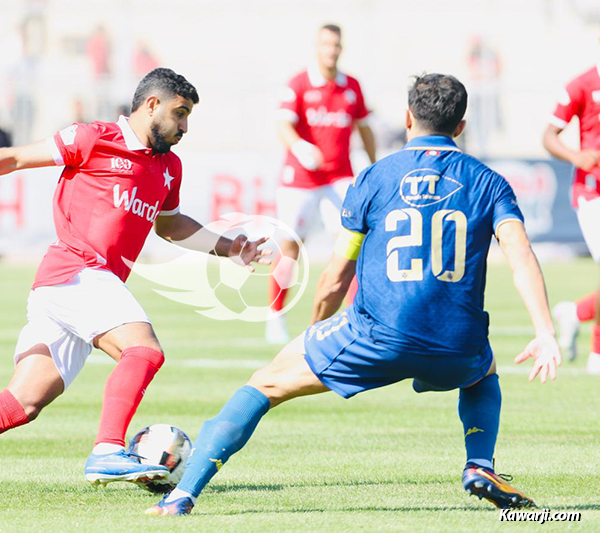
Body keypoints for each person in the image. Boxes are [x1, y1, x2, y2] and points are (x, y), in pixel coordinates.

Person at [147, 74, 562, 516]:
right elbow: (520, 255)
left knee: (264, 384)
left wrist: (313, 334)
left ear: (407, 119)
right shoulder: (490, 182)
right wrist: (545, 331)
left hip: (374, 335)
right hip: (456, 345)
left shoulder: (373, 179)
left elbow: (337, 273)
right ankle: (479, 464)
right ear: (460, 126)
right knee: (483, 369)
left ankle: (181, 497)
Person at [0, 68, 271, 497]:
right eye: (181, 113)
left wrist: (229, 247)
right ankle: (107, 450)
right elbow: (13, 158)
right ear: (152, 105)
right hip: (75, 272)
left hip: (82, 288)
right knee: (144, 351)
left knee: (21, 403)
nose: (185, 127)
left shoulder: (169, 167)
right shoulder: (93, 137)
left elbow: (169, 225)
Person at [267, 23, 376, 344]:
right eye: (326, 44)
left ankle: (354, 315)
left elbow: (364, 127)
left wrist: (370, 165)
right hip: (299, 179)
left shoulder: (351, 86)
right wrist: (299, 147)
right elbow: (283, 124)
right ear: (317, 46)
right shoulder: (299, 84)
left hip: (339, 177)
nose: (331, 50)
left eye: (336, 45)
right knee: (289, 246)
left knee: (352, 242)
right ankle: (275, 317)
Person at [543, 60, 600, 375]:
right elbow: (549, 136)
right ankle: (598, 353)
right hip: (593, 192)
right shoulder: (582, 84)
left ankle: (575, 313)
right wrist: (578, 157)